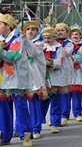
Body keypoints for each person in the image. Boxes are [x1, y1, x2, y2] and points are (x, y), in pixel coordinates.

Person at [0, 14, 33, 147]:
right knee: (3, 109)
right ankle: (5, 135)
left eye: (0, 23)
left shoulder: (17, 40)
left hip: (16, 80)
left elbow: (11, 57)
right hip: (2, 80)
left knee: (21, 108)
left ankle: (25, 136)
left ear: (8, 26)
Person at [16, 21, 48, 140]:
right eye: (28, 29)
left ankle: (35, 128)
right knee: (20, 105)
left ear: (37, 31)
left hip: (34, 78)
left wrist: (24, 40)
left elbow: (33, 53)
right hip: (20, 77)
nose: (30, 32)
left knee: (34, 103)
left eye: (33, 29)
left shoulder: (40, 43)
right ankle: (18, 128)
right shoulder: (17, 40)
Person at [41, 26, 66, 133]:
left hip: (55, 80)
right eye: (45, 38)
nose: (47, 40)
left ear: (54, 37)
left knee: (55, 103)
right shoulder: (41, 47)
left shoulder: (59, 48)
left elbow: (60, 62)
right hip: (43, 81)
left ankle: (55, 123)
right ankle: (37, 124)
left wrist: (49, 63)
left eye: (49, 38)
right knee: (42, 103)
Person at [54, 23, 74, 126]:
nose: (60, 32)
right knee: (56, 95)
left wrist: (55, 45)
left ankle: (64, 115)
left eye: (62, 30)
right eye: (58, 30)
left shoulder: (69, 43)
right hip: (55, 71)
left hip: (65, 70)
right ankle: (55, 116)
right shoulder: (54, 42)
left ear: (67, 33)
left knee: (64, 93)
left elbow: (65, 52)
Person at [69, 25, 82, 122]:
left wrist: (70, 58)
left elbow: (81, 58)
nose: (75, 36)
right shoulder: (66, 45)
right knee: (66, 97)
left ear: (80, 35)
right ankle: (64, 115)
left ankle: (77, 113)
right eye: (73, 34)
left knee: (77, 95)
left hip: (78, 73)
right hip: (68, 74)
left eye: (77, 34)